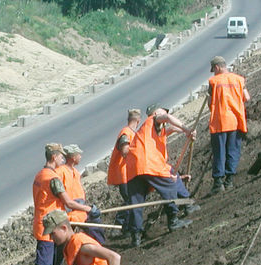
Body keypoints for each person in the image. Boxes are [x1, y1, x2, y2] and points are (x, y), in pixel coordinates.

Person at [125, 104, 196, 246]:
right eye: (164, 111)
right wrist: (187, 129)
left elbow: (170, 129)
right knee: (170, 184)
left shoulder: (152, 129)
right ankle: (174, 220)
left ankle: (136, 236)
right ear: (157, 113)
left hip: (134, 167)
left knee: (136, 202)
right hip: (148, 164)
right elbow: (168, 118)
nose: (166, 113)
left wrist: (185, 133)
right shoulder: (154, 119)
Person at [30, 143, 68, 265]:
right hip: (49, 224)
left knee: (54, 256)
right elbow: (66, 200)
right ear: (54, 157)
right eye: (61, 156)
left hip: (43, 221)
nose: (63, 159)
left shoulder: (40, 174)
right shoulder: (52, 178)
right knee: (45, 259)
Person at [208, 56, 250, 192]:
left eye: (213, 70)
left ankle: (218, 182)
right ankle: (229, 181)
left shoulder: (214, 81)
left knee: (219, 151)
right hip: (236, 121)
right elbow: (247, 98)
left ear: (217, 67)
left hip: (220, 121)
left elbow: (210, 103)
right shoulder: (239, 79)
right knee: (233, 150)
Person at [58, 144, 104, 244]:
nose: (80, 157)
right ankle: (98, 247)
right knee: (93, 224)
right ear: (73, 157)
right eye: (79, 155)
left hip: (79, 207)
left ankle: (97, 247)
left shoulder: (75, 172)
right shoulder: (61, 172)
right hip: (71, 210)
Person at [106, 109, 142, 234]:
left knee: (131, 200)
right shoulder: (126, 133)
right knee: (129, 201)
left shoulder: (129, 132)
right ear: (138, 120)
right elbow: (125, 151)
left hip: (128, 173)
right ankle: (120, 224)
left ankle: (126, 227)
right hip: (124, 174)